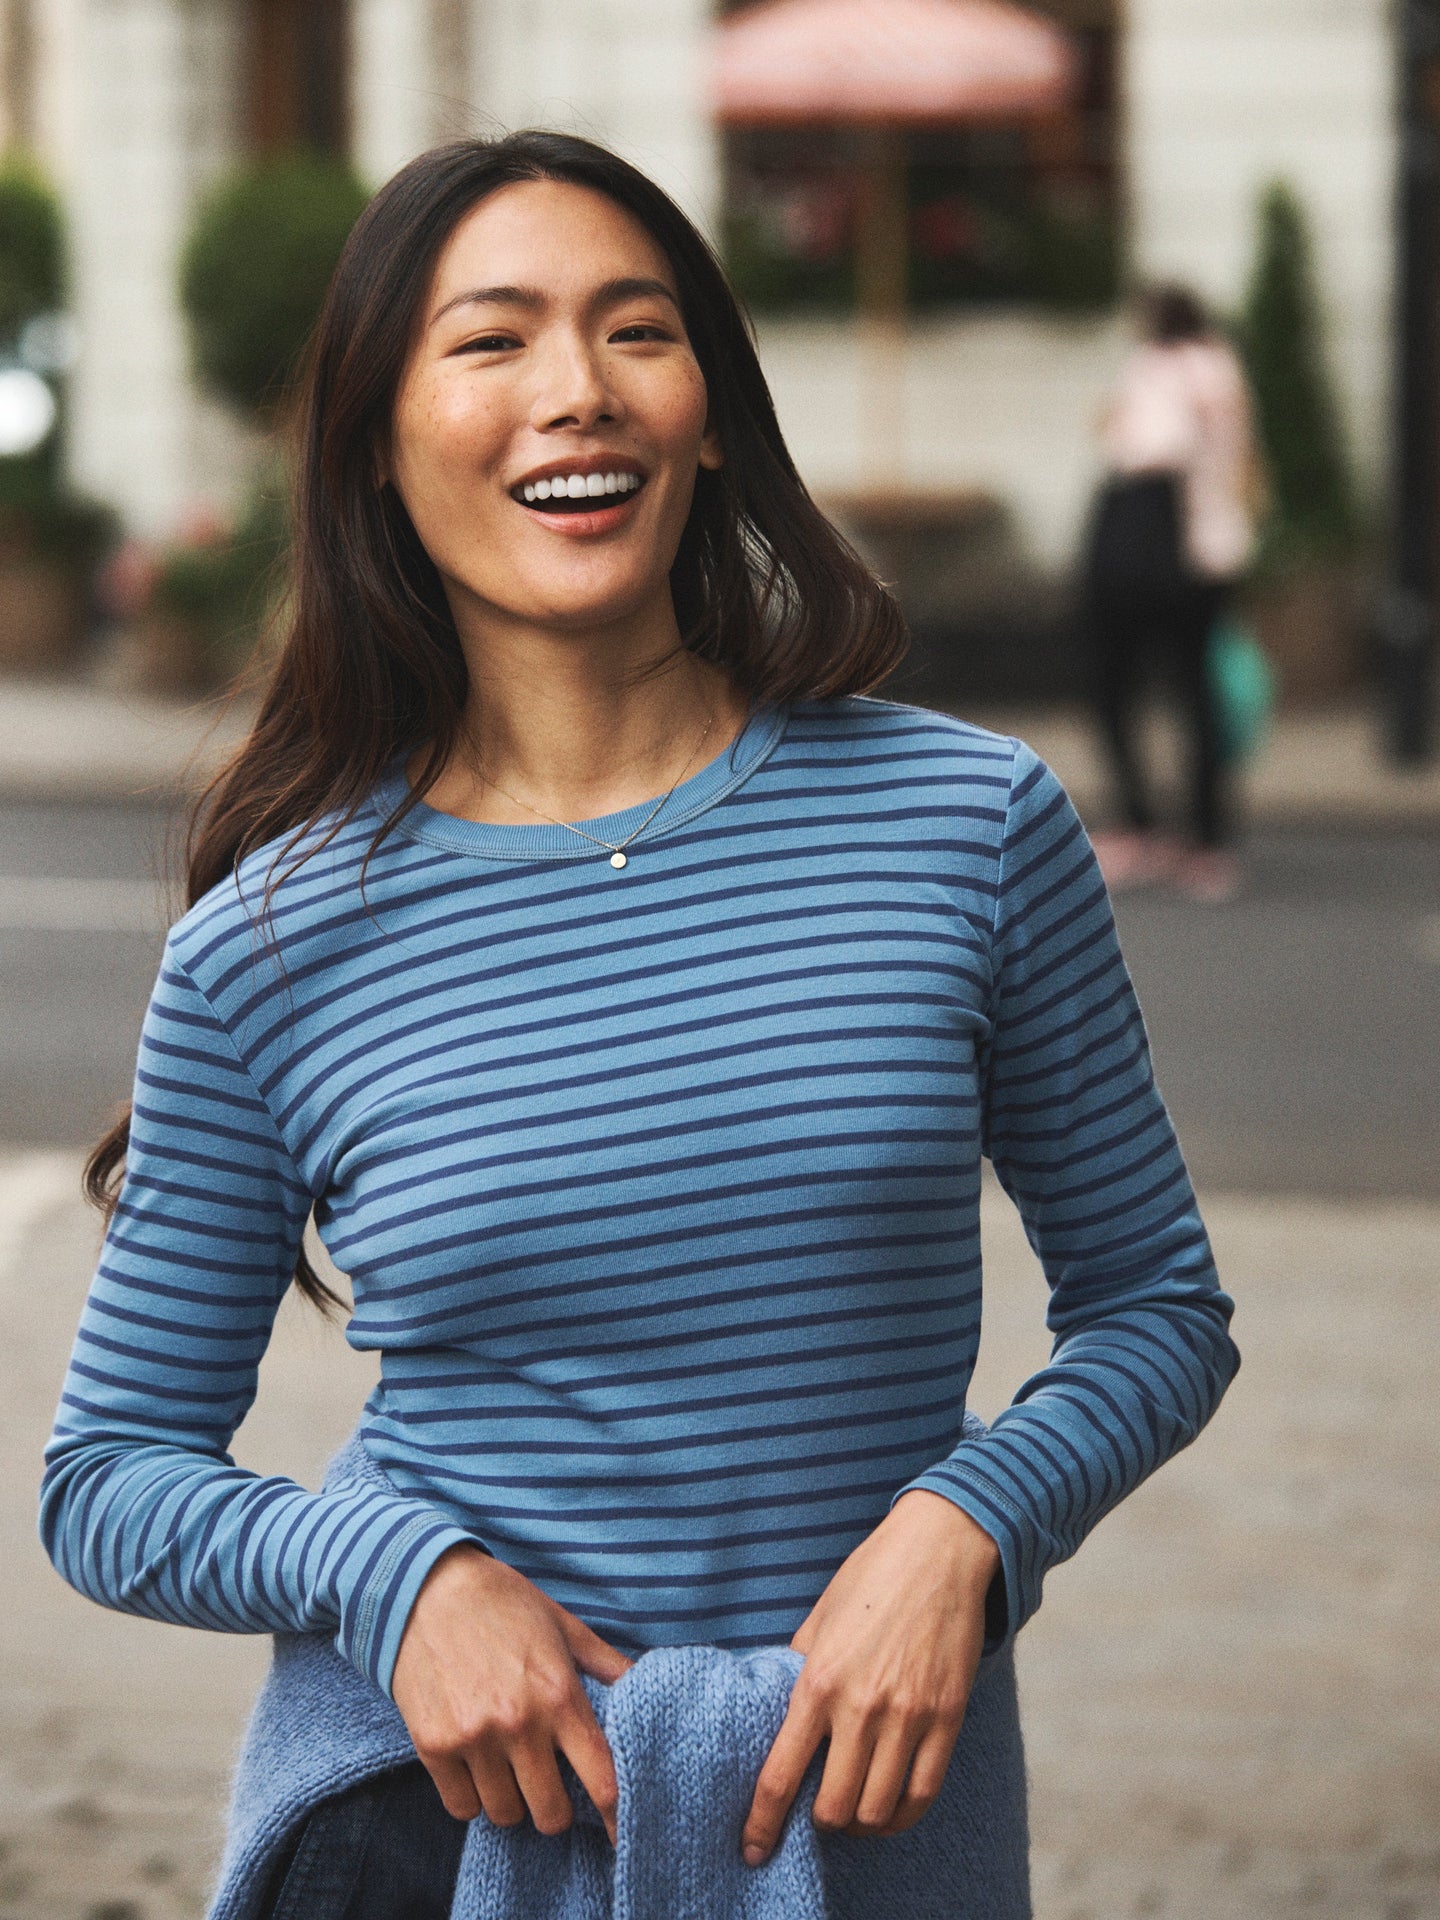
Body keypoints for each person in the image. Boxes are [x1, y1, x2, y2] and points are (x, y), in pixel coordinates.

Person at [39, 134, 1239, 1918]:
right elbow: (108, 1479)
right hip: (427, 1821)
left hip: (872, 1820)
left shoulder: (968, 824)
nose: (576, 395)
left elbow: (1158, 1310)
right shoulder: (264, 948)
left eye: (637, 330)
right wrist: (403, 1578)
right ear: (378, 436)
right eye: (493, 340)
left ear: (712, 410)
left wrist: (969, 1530)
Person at [1082, 282, 1263, 904]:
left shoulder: (1161, 367)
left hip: (1154, 557)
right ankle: (1207, 836)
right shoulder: (1222, 365)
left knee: (1120, 689)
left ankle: (1144, 825)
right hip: (1214, 549)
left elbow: (1141, 449)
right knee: (1196, 694)